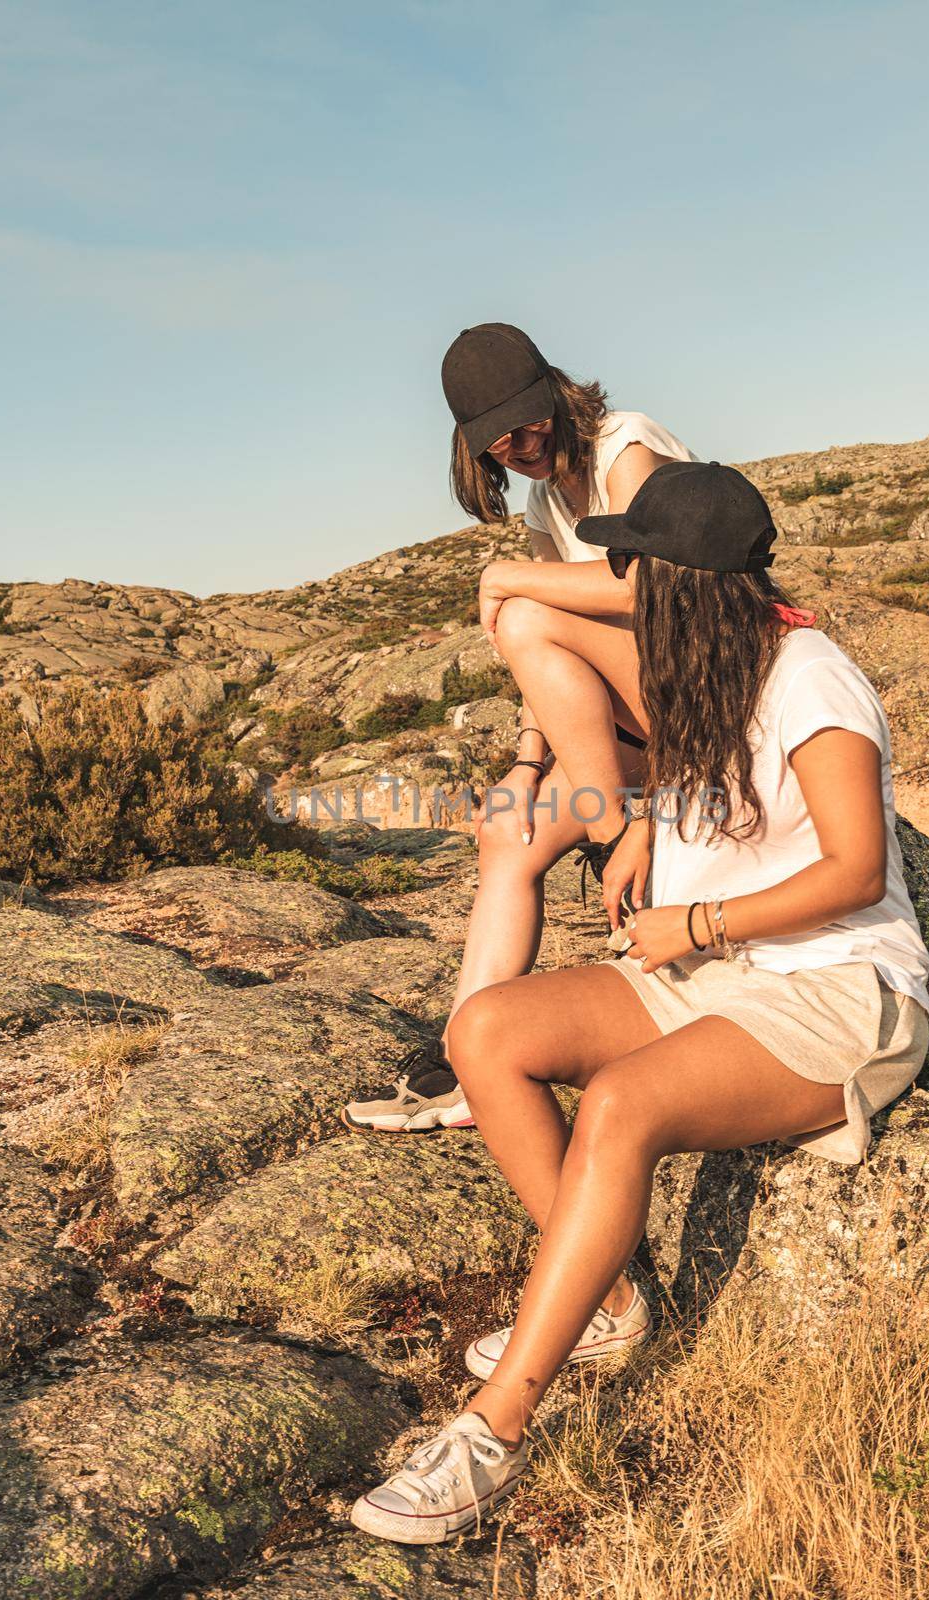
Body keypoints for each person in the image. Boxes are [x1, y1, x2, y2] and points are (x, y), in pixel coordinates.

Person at [350, 460, 929, 1545]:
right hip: (724, 975)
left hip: (838, 992)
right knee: (486, 1032)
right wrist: (653, 827)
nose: (617, 582)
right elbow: (680, 767)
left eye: (633, 569)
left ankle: (494, 1429)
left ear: (683, 587)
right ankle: (608, 1306)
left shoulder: (810, 679)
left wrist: (696, 924)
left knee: (618, 1101)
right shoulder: (710, 663)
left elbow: (854, 869)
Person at [344, 324, 695, 1133]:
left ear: (554, 395)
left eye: (527, 419)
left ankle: (615, 839)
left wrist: (505, 575)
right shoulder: (544, 501)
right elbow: (558, 651)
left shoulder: (626, 448)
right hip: (635, 719)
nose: (520, 443)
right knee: (508, 833)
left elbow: (665, 581)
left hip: (702, 696)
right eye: (496, 437)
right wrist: (526, 764)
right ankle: (467, 1059)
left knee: (525, 605)